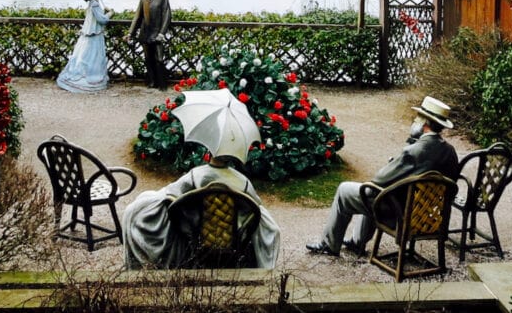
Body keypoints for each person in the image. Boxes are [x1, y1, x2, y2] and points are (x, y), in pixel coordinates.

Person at [305, 96, 459, 257]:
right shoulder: (450, 152)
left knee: (349, 190)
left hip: (398, 211)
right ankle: (358, 242)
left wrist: (393, 162)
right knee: (375, 193)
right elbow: (450, 188)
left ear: (424, 122)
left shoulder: (414, 151)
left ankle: (329, 245)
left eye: (417, 117)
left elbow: (379, 180)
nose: (414, 120)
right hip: (422, 214)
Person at [121, 155, 281, 269]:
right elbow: (256, 208)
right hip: (232, 243)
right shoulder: (243, 182)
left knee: (141, 202)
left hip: (195, 240)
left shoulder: (195, 175)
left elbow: (170, 195)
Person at [56, 0, 114, 93]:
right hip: (94, 35)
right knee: (92, 57)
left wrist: (104, 11)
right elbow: (102, 20)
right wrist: (110, 13)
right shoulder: (95, 4)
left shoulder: (93, 2)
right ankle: (89, 79)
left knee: (88, 56)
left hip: (92, 34)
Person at [125, 0, 171, 90]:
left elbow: (167, 16)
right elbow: (137, 18)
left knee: (159, 59)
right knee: (148, 59)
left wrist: (162, 33)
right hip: (145, 35)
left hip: (157, 35)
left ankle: (162, 84)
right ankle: (152, 82)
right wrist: (130, 33)